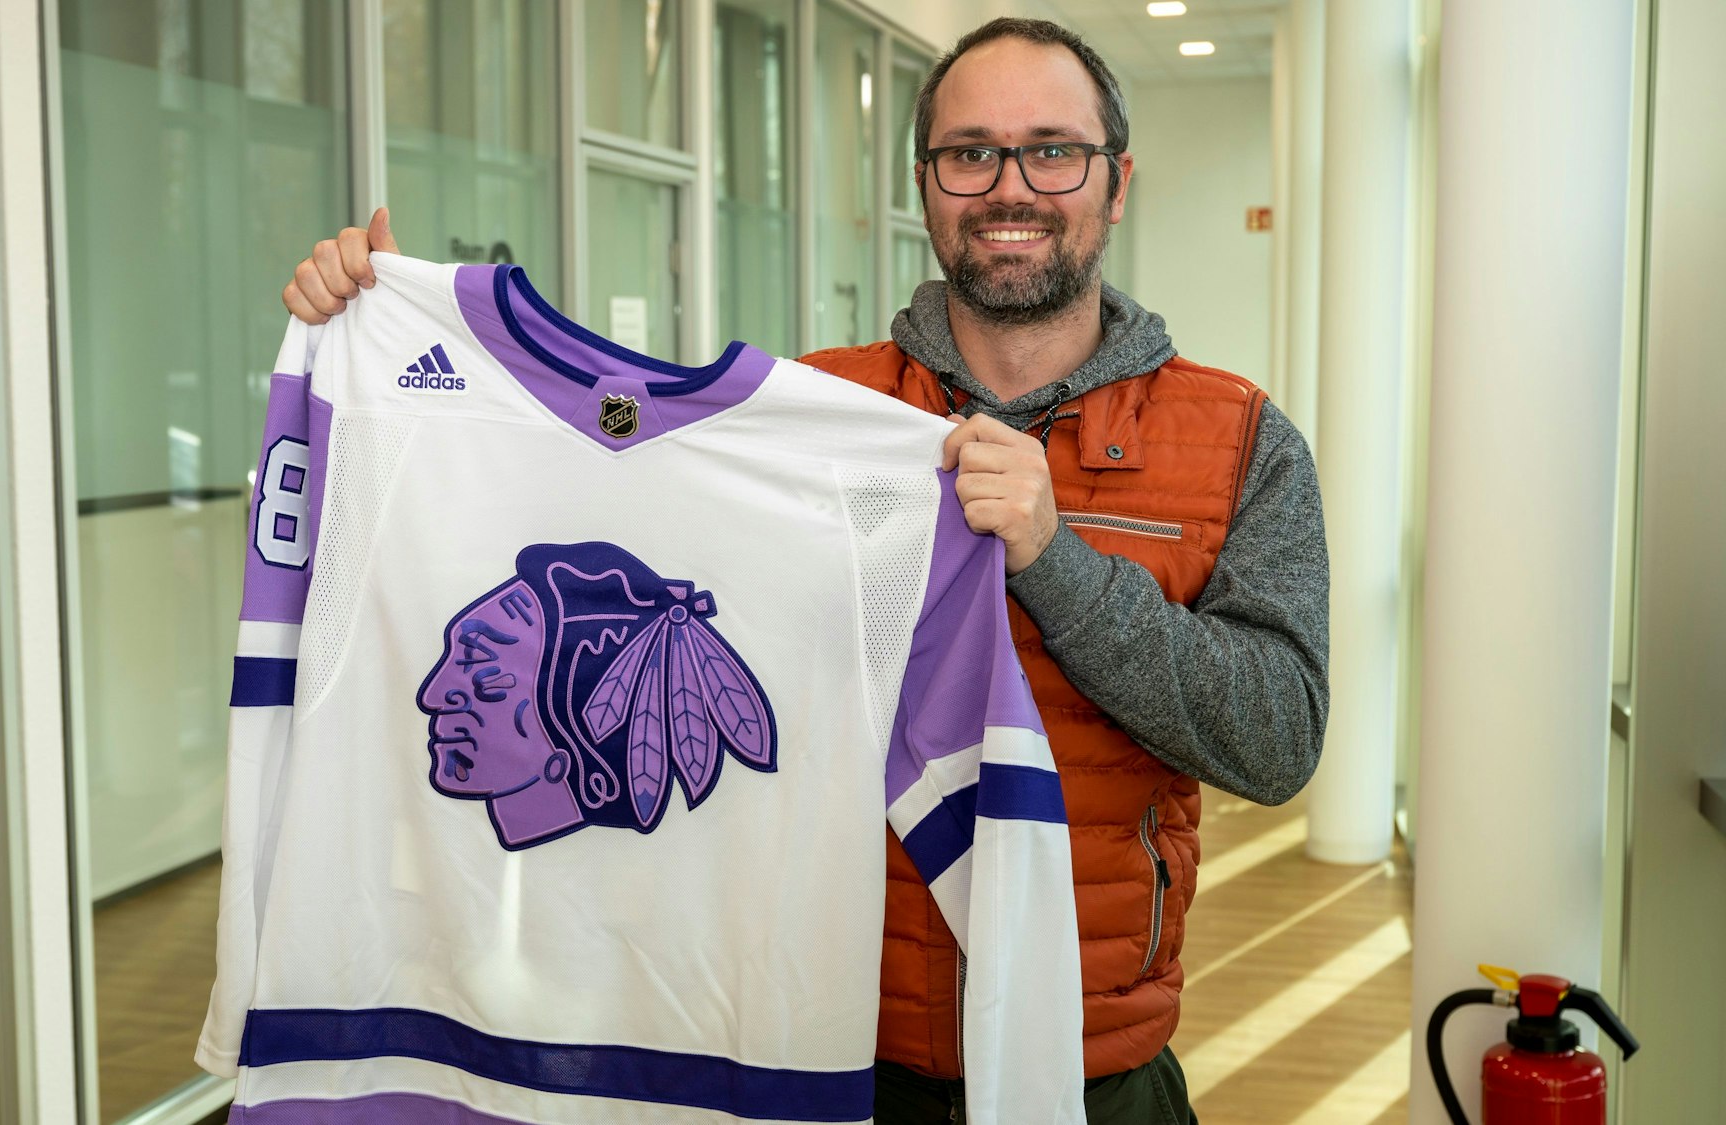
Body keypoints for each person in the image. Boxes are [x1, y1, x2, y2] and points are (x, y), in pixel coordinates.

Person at [278, 17, 1327, 1123]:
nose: (1009, 185)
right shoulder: (809, 411)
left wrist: (1049, 558)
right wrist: (388, 341)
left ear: (1114, 184)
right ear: (925, 186)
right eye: (968, 153)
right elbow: (583, 504)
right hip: (813, 1043)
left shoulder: (1239, 440)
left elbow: (1274, 739)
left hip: (1092, 1057)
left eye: (1051, 150)